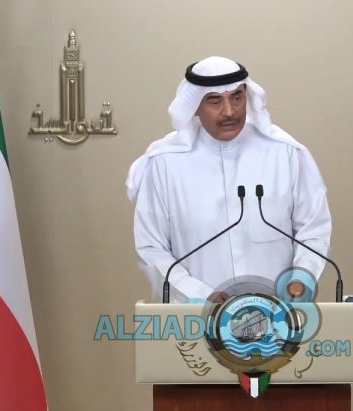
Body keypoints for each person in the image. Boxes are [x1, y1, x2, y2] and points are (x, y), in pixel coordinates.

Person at [126, 56, 331, 303]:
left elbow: (313, 230)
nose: (229, 111)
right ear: (195, 106)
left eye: (237, 97)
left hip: (278, 311)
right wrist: (200, 296)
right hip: (197, 315)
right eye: (215, 101)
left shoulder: (285, 153)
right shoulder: (164, 164)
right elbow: (152, 248)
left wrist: (301, 277)